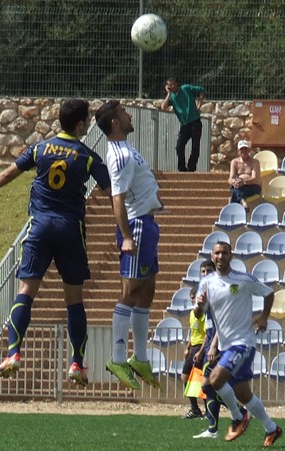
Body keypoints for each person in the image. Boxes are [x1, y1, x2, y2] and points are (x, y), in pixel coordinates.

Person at [0, 99, 111, 388]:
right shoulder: (88, 157)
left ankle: (13, 353)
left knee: (26, 292)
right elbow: (113, 193)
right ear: (80, 124)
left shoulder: (40, 149)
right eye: (87, 120)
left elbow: (10, 171)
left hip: (40, 227)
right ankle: (76, 363)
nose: (88, 124)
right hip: (70, 229)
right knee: (74, 299)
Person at [94, 100, 163, 390]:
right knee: (131, 291)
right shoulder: (120, 155)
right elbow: (117, 198)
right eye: (124, 112)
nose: (129, 115)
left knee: (147, 290)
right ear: (115, 122)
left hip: (147, 223)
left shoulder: (126, 149)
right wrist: (126, 236)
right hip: (136, 225)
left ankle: (140, 358)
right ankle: (118, 358)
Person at [195, 241, 283, 447]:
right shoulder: (206, 283)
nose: (220, 256)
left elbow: (268, 293)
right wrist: (199, 306)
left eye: (224, 252)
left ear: (231, 256)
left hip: (243, 343)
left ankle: (237, 416)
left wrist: (264, 317)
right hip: (226, 345)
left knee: (214, 379)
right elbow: (198, 314)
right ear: (212, 256)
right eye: (217, 253)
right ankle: (271, 428)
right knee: (243, 393)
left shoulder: (243, 280)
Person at [161, 77, 206, 172]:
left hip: (195, 121)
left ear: (177, 83)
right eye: (170, 85)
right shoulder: (171, 97)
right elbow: (163, 107)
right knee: (179, 146)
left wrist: (199, 105)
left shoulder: (185, 88)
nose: (173, 86)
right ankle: (182, 168)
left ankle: (191, 167)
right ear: (167, 87)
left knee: (195, 146)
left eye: (174, 84)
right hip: (184, 125)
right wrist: (168, 94)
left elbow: (202, 90)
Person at [181, 285, 206, 419]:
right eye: (190, 298)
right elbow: (193, 333)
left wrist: (201, 352)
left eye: (193, 298)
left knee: (202, 380)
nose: (192, 301)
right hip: (193, 348)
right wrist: (188, 347)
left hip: (201, 348)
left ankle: (209, 411)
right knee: (184, 377)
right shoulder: (192, 313)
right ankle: (195, 408)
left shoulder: (203, 314)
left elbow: (206, 334)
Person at [228, 140, 262, 211]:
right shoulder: (235, 162)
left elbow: (255, 178)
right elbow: (230, 179)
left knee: (235, 191)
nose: (243, 151)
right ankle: (243, 202)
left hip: (252, 186)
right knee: (235, 188)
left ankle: (234, 209)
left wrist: (243, 182)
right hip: (239, 186)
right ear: (238, 151)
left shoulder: (255, 162)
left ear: (249, 150)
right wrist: (235, 182)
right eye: (241, 149)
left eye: (245, 149)